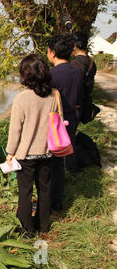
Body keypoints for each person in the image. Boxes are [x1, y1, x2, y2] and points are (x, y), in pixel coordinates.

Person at [6, 54, 55, 235]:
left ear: (25, 74)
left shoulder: (22, 98)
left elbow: (15, 129)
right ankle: (44, 227)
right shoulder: (53, 96)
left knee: (25, 192)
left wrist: (10, 152)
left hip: (25, 154)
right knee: (45, 190)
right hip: (47, 151)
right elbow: (59, 122)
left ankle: (26, 230)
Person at [46, 34, 83, 211]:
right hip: (71, 120)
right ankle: (58, 200)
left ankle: (51, 202)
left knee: (51, 163)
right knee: (62, 161)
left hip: (53, 123)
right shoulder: (76, 71)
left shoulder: (51, 74)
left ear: (52, 52)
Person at [70, 31, 98, 124]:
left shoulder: (76, 64)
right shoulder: (91, 61)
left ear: (75, 45)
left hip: (76, 105)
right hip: (85, 101)